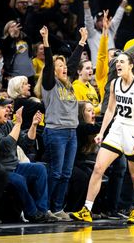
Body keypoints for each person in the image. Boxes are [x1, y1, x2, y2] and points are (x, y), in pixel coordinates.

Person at [71, 52, 134, 224]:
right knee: (98, 168)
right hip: (117, 129)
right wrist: (101, 132)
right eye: (117, 62)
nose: (118, 64)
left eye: (122, 61)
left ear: (131, 65)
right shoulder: (115, 83)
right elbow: (110, 110)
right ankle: (87, 209)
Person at [0, 95, 56, 223]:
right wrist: (18, 124)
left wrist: (34, 126)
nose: (8, 110)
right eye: (5, 108)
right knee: (18, 180)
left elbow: (26, 143)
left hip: (13, 166)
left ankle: (42, 211)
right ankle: (32, 213)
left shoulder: (8, 124)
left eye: (9, 107)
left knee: (40, 169)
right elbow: (5, 146)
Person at [40, 26, 78, 221]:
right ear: (53, 71)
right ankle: (45, 208)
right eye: (60, 66)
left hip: (72, 132)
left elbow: (74, 63)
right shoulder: (50, 84)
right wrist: (46, 41)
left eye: (65, 66)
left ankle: (57, 208)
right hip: (56, 132)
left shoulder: (69, 85)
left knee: (66, 173)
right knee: (55, 173)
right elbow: (48, 64)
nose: (65, 68)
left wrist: (81, 43)